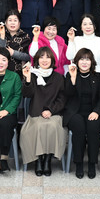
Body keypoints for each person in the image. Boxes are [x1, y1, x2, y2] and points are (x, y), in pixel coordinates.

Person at [20, 47, 67, 176]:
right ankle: (38, 160)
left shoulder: (58, 78)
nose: (44, 60)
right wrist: (27, 79)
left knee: (52, 126)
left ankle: (47, 159)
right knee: (38, 126)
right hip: (36, 112)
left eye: (47, 57)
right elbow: (27, 94)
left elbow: (62, 99)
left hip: (54, 113)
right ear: (37, 60)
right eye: (41, 57)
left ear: (52, 60)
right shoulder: (33, 75)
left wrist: (51, 110)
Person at [64, 48, 100, 178]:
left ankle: (92, 163)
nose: (84, 62)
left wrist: (97, 112)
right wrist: (73, 78)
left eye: (87, 59)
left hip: (92, 112)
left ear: (91, 62)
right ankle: (79, 163)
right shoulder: (70, 75)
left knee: (93, 127)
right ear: (77, 61)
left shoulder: (97, 77)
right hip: (75, 112)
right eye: (82, 59)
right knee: (79, 127)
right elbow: (67, 95)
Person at [65, 14, 100, 79]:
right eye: (85, 24)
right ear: (81, 27)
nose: (88, 27)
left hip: (97, 77)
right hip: (79, 77)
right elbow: (69, 57)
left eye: (91, 24)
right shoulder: (76, 39)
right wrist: (71, 40)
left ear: (95, 26)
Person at [0, 9, 31, 74]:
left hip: (19, 73)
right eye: (10, 20)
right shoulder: (0, 34)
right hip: (2, 72)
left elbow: (28, 57)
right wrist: (2, 36)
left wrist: (13, 53)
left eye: (15, 20)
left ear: (19, 23)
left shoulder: (25, 36)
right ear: (5, 22)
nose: (12, 23)